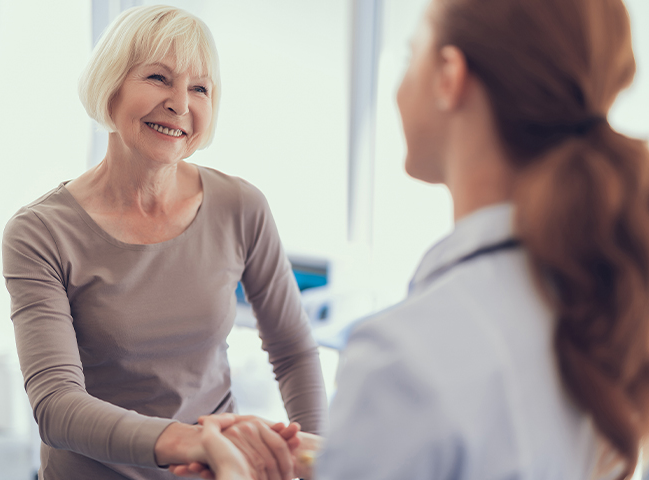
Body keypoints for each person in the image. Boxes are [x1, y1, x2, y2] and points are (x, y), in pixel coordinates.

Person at [170, 0, 649, 478]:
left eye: (410, 53)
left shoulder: (405, 360)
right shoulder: (601, 305)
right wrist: (339, 456)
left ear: (449, 76)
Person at [1, 5, 327, 480]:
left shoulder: (240, 206)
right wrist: (197, 441)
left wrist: (318, 457)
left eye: (199, 88)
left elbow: (294, 350)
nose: (180, 103)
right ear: (110, 86)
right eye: (158, 77)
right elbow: (56, 404)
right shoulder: (40, 233)